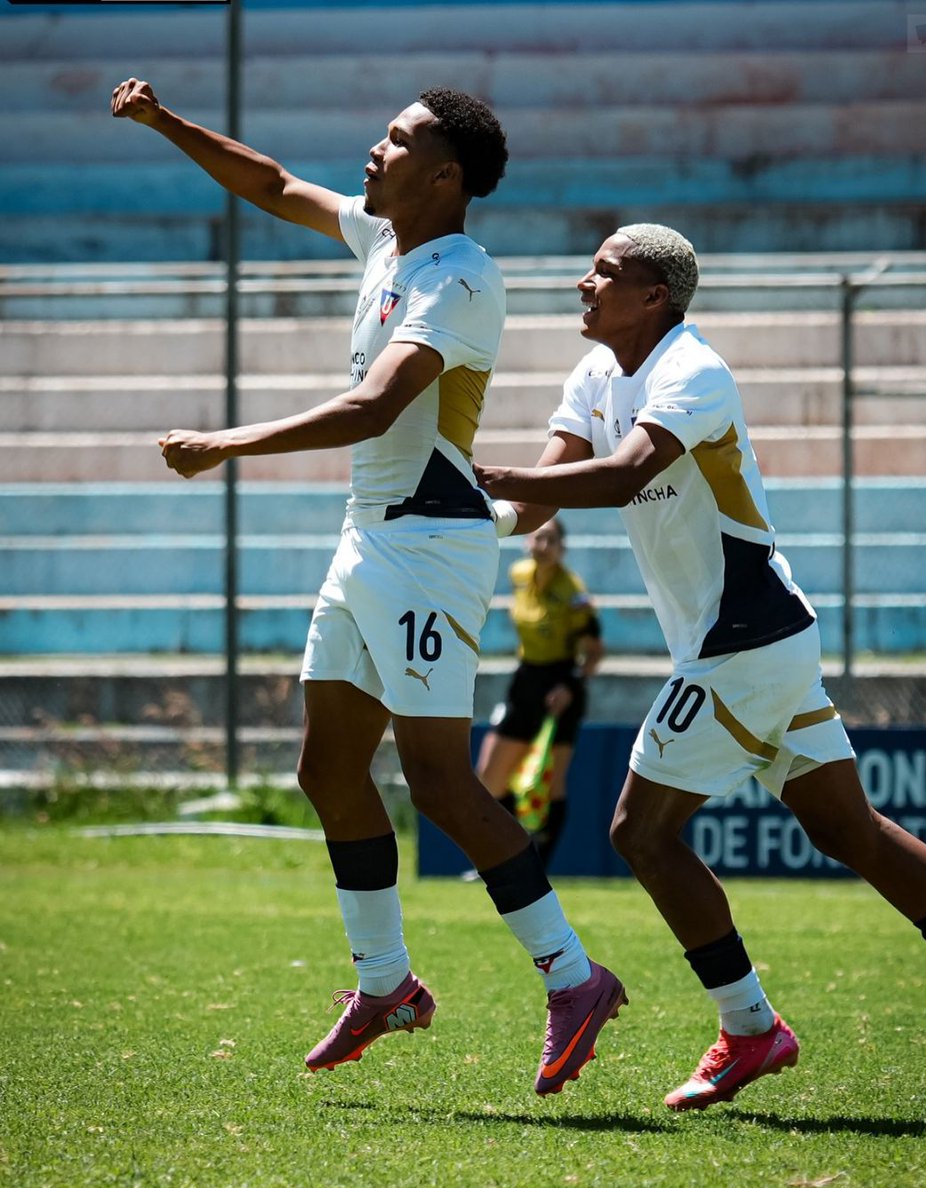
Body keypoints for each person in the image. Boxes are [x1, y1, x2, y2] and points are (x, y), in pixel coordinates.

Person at [110, 79, 625, 1096]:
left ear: (447, 177)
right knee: (328, 771)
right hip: (368, 542)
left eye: (397, 141)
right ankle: (385, 984)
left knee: (439, 780)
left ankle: (575, 976)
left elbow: (375, 403)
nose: (373, 151)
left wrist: (228, 442)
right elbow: (274, 185)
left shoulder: (462, 277)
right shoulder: (389, 244)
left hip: (429, 548)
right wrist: (166, 123)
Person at [475, 223, 926, 1111]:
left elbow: (623, 476)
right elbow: (547, 484)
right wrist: (473, 517)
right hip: (759, 641)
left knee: (639, 832)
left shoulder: (693, 371)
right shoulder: (594, 375)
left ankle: (749, 1028)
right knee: (848, 832)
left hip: (746, 640)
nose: (585, 284)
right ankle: (752, 1028)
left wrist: (483, 478)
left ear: (655, 296)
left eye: (606, 273)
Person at [476, 517, 604, 869]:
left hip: (561, 685)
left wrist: (571, 685)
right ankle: (514, 854)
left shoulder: (572, 592)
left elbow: (593, 652)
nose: (542, 546)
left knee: (550, 783)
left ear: (562, 548)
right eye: (537, 538)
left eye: (550, 540)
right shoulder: (518, 575)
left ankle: (537, 865)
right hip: (525, 680)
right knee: (490, 776)